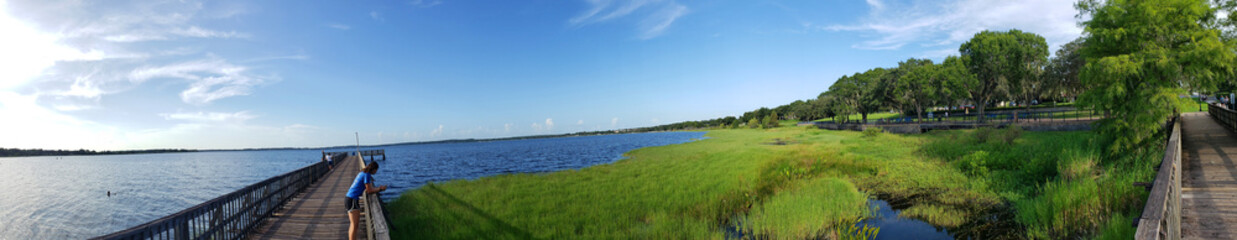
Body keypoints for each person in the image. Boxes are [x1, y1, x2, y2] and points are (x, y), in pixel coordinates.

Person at [345, 162, 387, 240]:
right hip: (352, 199)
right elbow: (369, 190)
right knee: (354, 224)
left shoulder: (362, 172)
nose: (376, 172)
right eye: (376, 170)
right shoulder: (367, 175)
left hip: (349, 198)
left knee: (353, 224)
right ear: (374, 169)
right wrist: (380, 189)